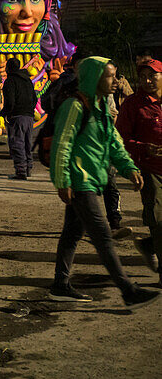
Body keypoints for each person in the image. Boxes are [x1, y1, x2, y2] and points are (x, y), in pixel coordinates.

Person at [47, 57, 158, 308]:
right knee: (103, 237)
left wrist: (128, 168)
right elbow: (62, 145)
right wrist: (63, 180)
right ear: (94, 78)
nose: (116, 81)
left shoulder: (100, 106)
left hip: (92, 181)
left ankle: (60, 285)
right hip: (80, 182)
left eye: (115, 75)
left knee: (72, 234)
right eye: (110, 76)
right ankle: (128, 290)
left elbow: (114, 144)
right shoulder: (75, 106)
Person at [116, 59, 162, 282]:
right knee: (158, 218)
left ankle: (148, 244)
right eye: (143, 76)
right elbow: (121, 139)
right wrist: (145, 148)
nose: (146, 80)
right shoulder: (133, 104)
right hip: (151, 168)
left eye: (152, 76)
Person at [1, 58, 37, 179]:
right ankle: (28, 168)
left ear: (8, 67)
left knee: (17, 143)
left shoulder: (10, 81)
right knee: (27, 143)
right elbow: (35, 98)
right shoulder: (27, 80)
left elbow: (10, 101)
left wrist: (4, 113)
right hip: (29, 116)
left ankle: (21, 171)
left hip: (17, 116)